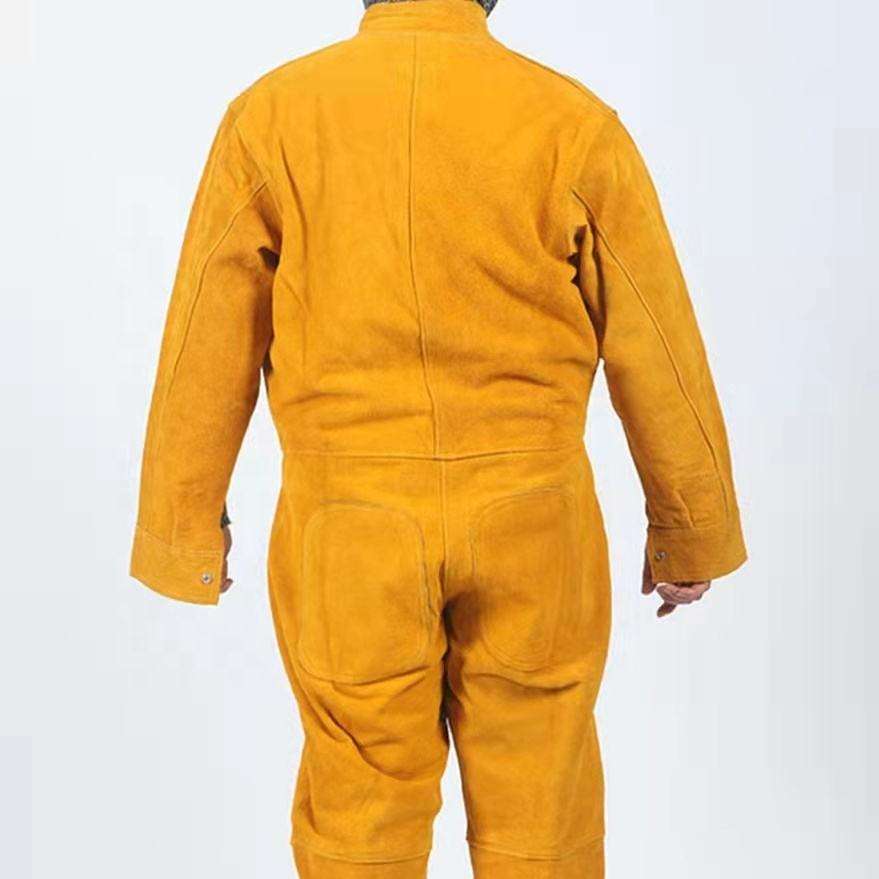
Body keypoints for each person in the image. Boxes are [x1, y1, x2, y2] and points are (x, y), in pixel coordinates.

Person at [130, 0, 747, 875]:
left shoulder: (271, 117)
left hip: (347, 531)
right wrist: (690, 528)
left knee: (358, 811)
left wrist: (184, 526)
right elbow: (654, 336)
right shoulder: (570, 122)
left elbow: (207, 332)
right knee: (541, 805)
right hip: (535, 526)